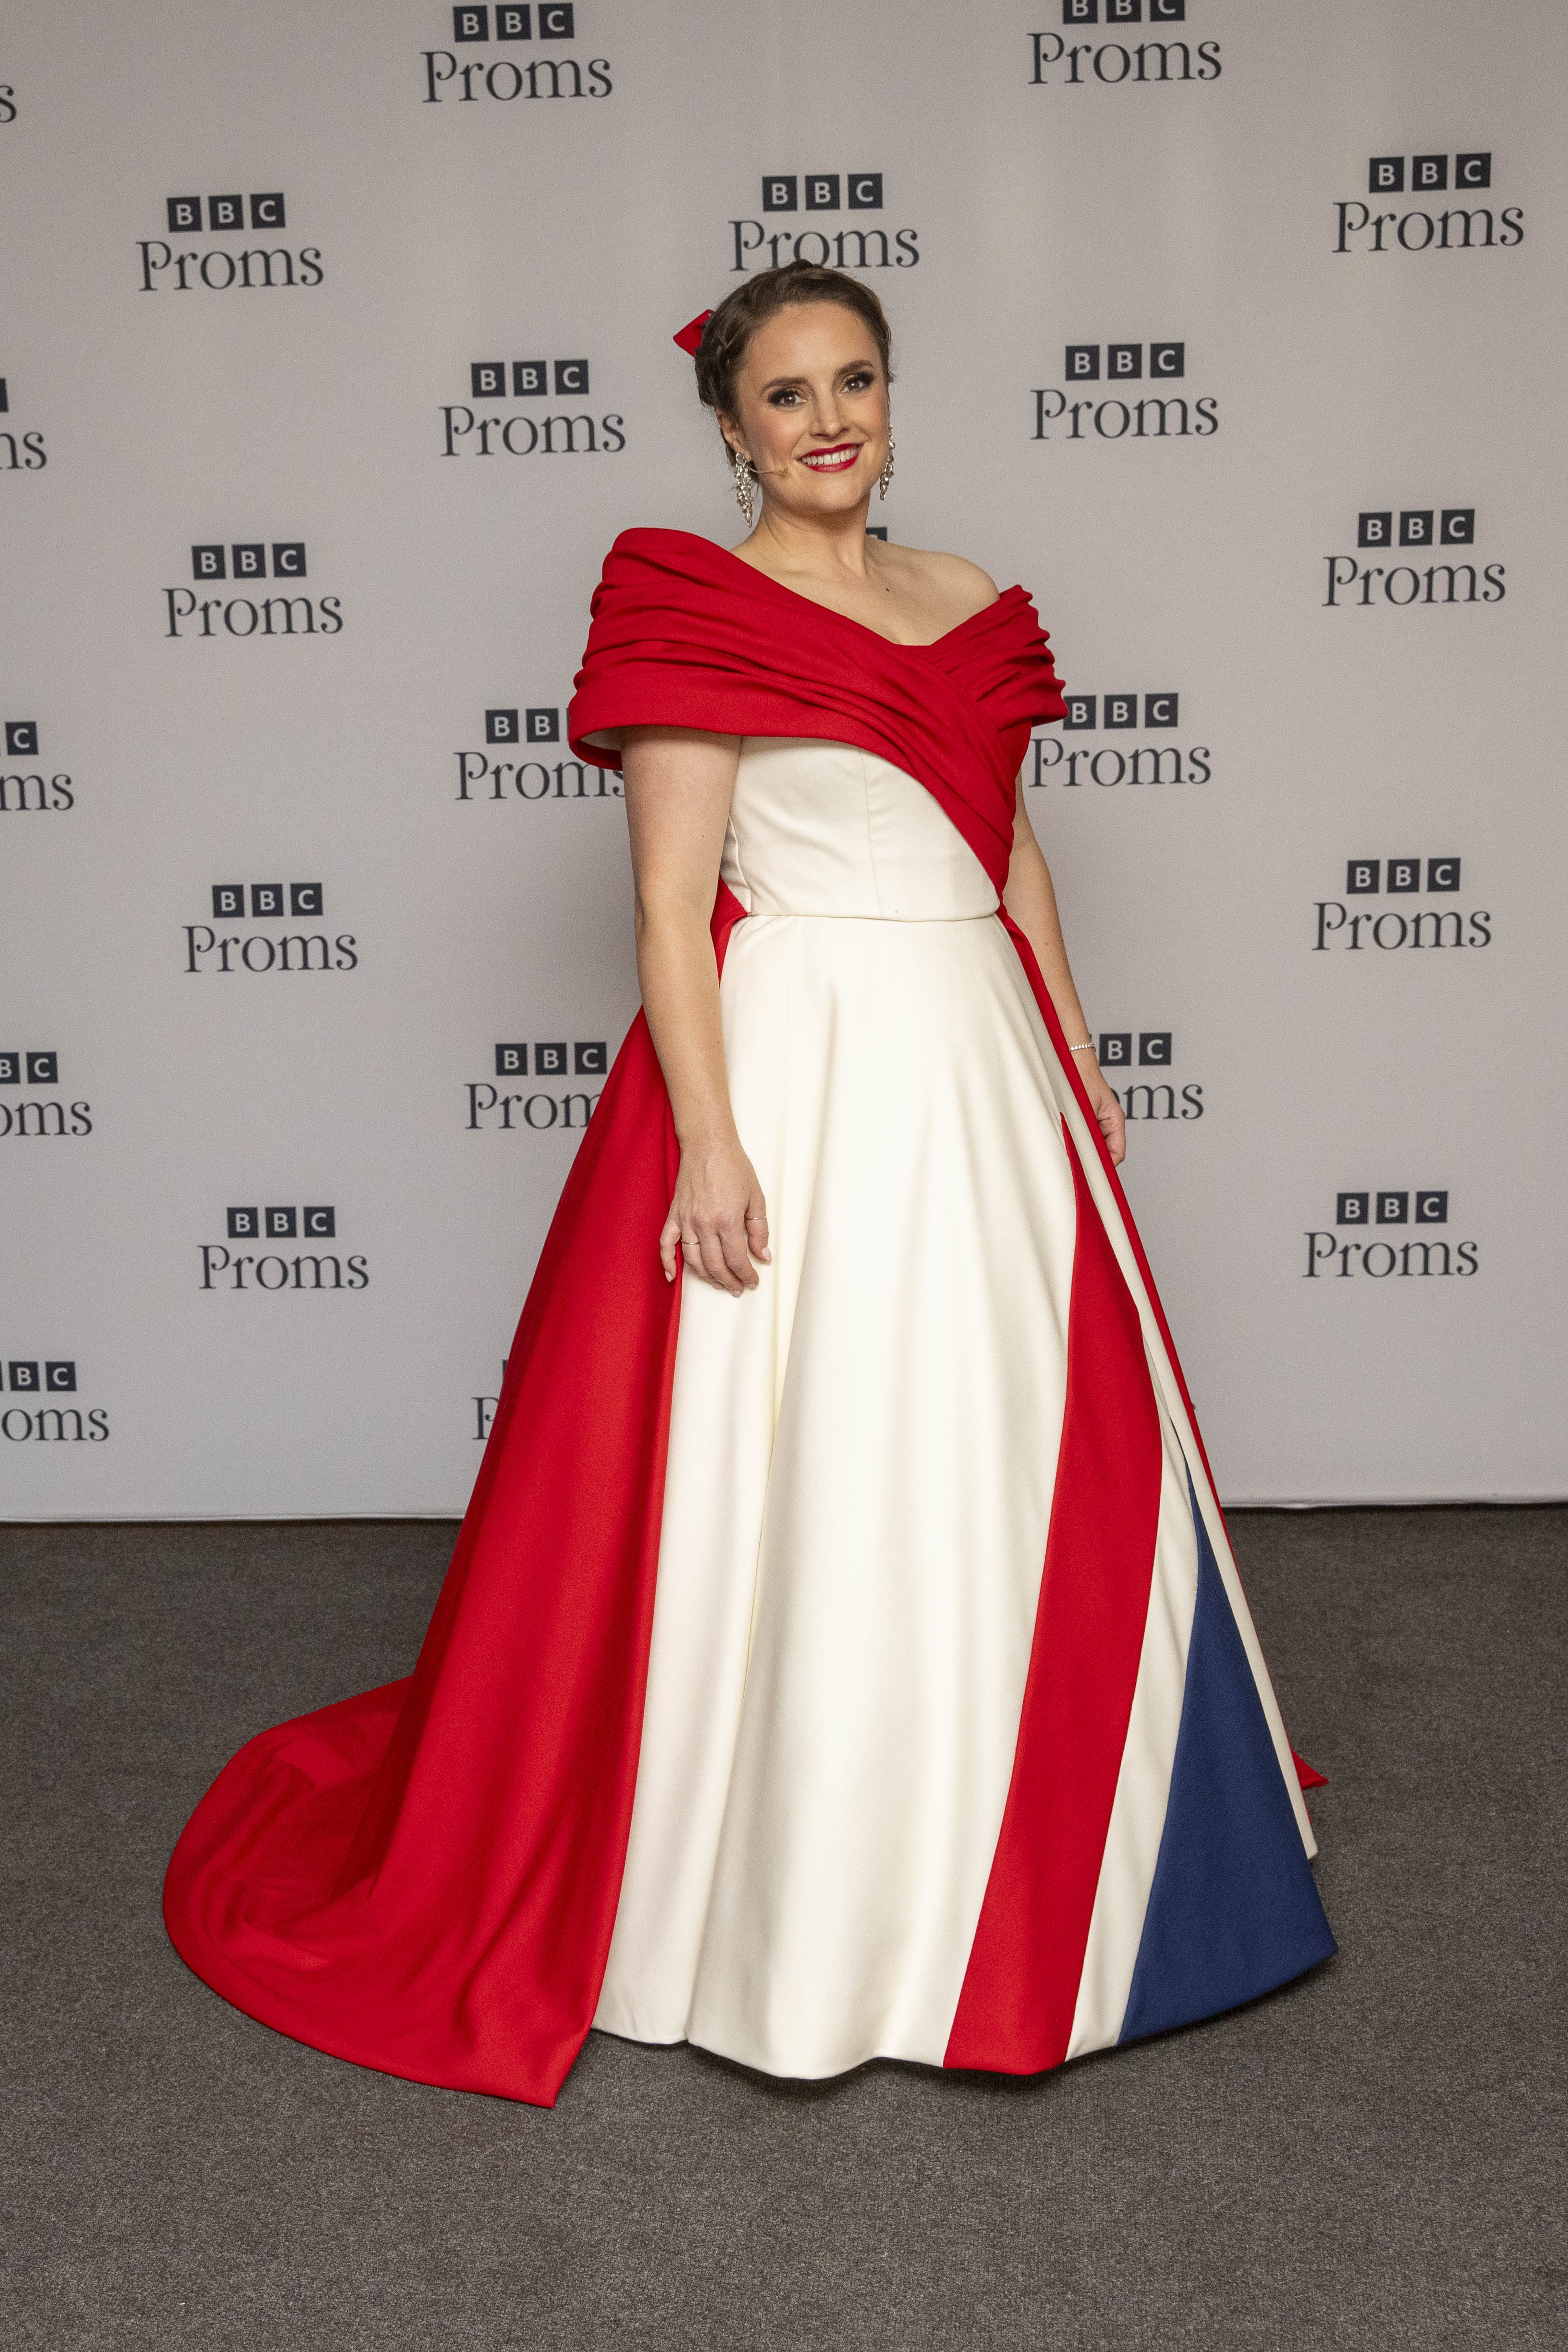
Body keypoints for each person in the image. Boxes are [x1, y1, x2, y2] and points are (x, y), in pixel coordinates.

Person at [165, 263, 1333, 2107]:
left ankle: (1058, 1839)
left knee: (1015, 1442)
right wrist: (712, 1139)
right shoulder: (691, 603)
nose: (829, 422)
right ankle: (808, 1900)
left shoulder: (966, 600)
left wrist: (1077, 1038)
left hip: (976, 1049)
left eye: (854, 380)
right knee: (822, 1461)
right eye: (785, 397)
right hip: (808, 1057)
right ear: (729, 428)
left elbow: (1006, 845)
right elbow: (664, 903)